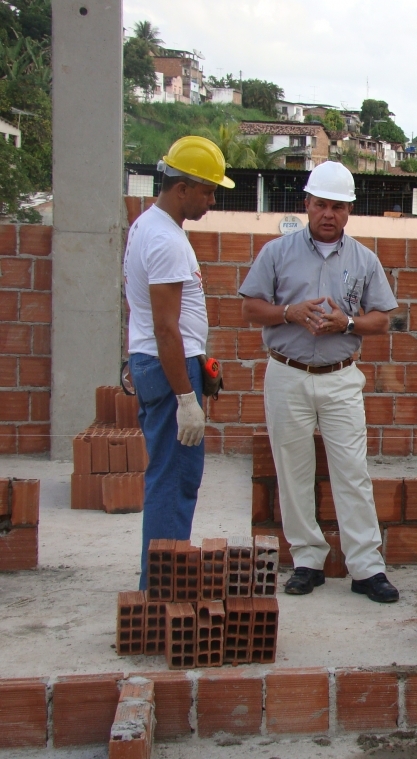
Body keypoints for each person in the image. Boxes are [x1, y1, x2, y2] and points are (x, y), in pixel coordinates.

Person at [239, 161, 399, 603]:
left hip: (340, 378)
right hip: (287, 372)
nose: (328, 213)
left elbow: (382, 320)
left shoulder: (364, 260)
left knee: (352, 472)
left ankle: (366, 567)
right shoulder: (277, 252)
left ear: (349, 211)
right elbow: (251, 307)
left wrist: (346, 322)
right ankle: (307, 561)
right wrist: (289, 313)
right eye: (320, 204)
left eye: (338, 206)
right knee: (293, 472)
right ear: (306, 204)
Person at [124, 135, 233, 589]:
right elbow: (166, 328)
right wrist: (186, 397)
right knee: (174, 478)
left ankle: (162, 576)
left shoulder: (151, 227)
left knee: (172, 474)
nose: (211, 200)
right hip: (170, 370)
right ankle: (163, 587)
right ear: (181, 187)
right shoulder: (165, 240)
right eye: (207, 191)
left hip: (167, 364)